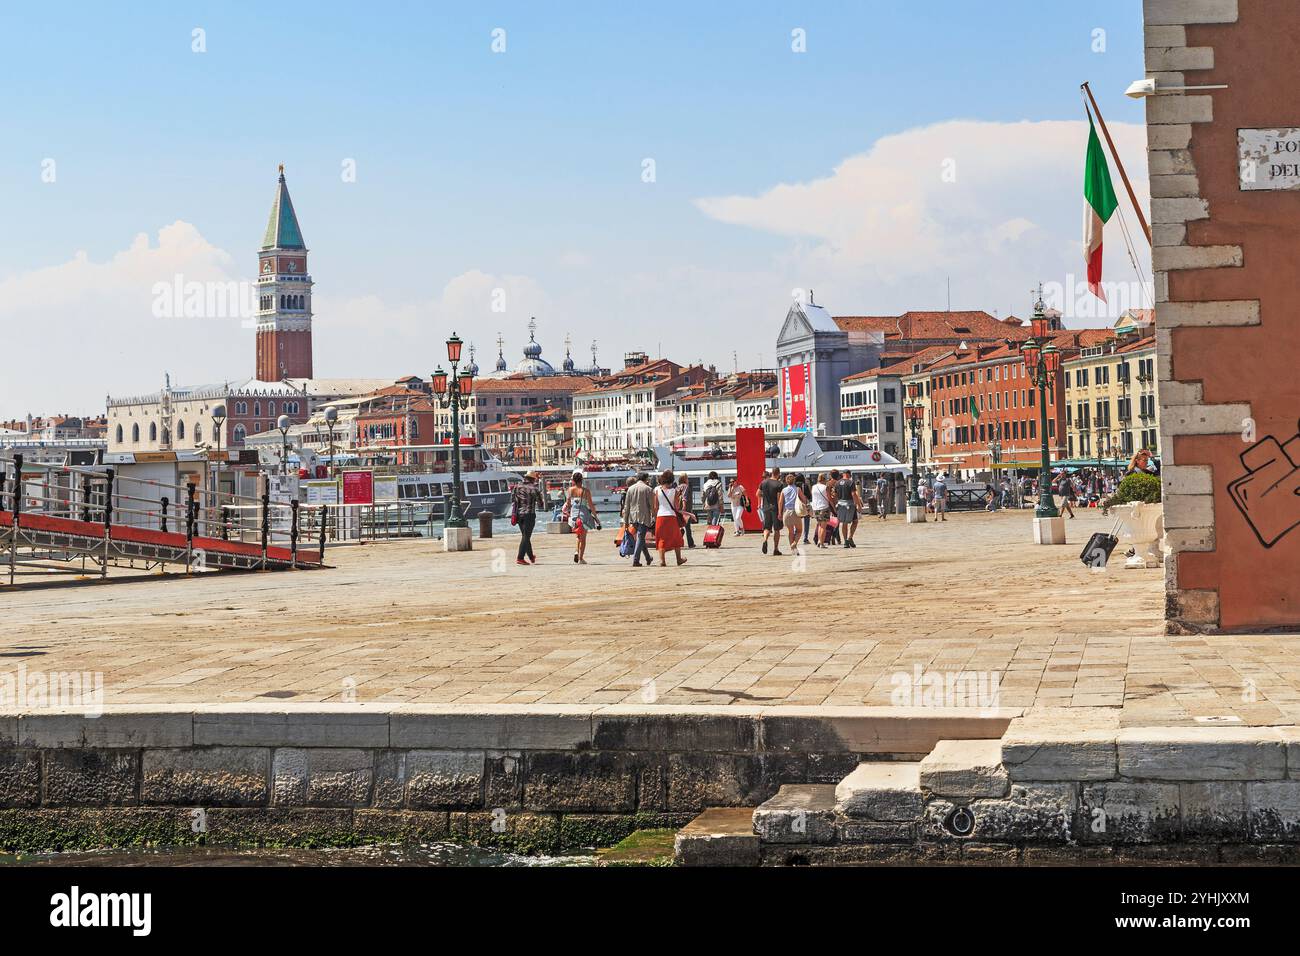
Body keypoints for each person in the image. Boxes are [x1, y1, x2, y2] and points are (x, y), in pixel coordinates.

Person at [563, 472, 600, 564]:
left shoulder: (570, 490)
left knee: (577, 535)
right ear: (581, 480)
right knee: (583, 538)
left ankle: (576, 550)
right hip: (583, 514)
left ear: (573, 480)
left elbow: (568, 503)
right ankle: (581, 558)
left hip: (574, 515)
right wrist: (596, 517)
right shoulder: (586, 491)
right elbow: (591, 505)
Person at [511, 472, 546, 565]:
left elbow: (512, 500)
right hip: (529, 515)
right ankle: (520, 558)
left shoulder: (517, 487)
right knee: (526, 536)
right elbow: (541, 504)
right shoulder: (534, 489)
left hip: (518, 514)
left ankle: (531, 557)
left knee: (525, 536)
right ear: (533, 479)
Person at [654, 470, 688, 567]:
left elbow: (655, 506)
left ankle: (662, 561)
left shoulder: (657, 490)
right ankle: (679, 559)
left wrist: (656, 516)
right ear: (672, 480)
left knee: (661, 538)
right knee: (676, 537)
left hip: (660, 516)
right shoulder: (675, 491)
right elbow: (676, 507)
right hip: (671, 517)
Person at [624, 472, 656, 567]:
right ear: (646, 479)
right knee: (640, 537)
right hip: (644, 516)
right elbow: (651, 506)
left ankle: (648, 558)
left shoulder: (630, 489)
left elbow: (627, 506)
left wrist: (626, 521)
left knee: (640, 538)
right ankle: (636, 560)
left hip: (633, 517)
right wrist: (655, 517)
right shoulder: (648, 489)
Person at [758, 467, 785, 556]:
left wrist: (765, 496)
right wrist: (780, 512)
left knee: (767, 527)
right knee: (777, 529)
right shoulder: (779, 484)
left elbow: (757, 494)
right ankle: (776, 549)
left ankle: (765, 540)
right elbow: (779, 499)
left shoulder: (764, 482)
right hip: (775, 508)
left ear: (771, 473)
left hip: (765, 507)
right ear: (778, 473)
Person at [781, 473, 805, 555]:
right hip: (796, 512)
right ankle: (794, 544)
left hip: (787, 512)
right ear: (794, 480)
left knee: (790, 532)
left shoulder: (783, 490)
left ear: (786, 481)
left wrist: (780, 513)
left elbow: (781, 502)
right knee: (799, 530)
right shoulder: (798, 489)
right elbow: (804, 499)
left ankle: (793, 550)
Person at [835, 469, 860, 548]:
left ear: (843, 474)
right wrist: (858, 504)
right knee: (855, 521)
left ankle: (846, 541)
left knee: (844, 523)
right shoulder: (851, 482)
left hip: (840, 504)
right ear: (849, 474)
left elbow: (834, 494)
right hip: (850, 505)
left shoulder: (837, 483)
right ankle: (850, 537)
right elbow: (853, 494)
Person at [810, 472, 832, 547]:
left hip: (815, 508)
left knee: (820, 525)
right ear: (824, 479)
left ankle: (820, 540)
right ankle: (822, 543)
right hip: (823, 507)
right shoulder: (825, 487)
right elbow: (829, 498)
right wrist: (833, 507)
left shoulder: (813, 487)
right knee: (823, 526)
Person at [677, 474, 697, 548]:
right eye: (687, 478)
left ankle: (678, 541)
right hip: (685, 508)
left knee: (679, 525)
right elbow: (684, 497)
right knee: (687, 526)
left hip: (678, 508)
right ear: (685, 479)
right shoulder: (686, 486)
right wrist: (684, 506)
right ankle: (690, 543)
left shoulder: (678, 487)